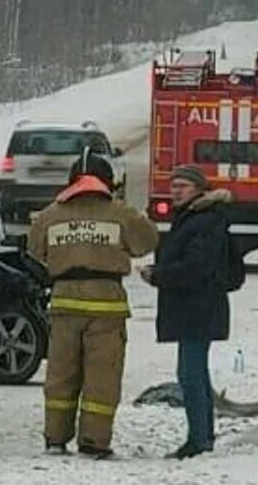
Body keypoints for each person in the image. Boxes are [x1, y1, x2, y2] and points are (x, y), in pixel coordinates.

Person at [27, 150, 159, 458]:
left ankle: (55, 438)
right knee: (102, 377)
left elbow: (35, 250)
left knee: (60, 374)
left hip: (63, 303)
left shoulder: (50, 214)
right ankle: (94, 442)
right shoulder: (120, 213)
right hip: (106, 306)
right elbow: (147, 241)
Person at [141, 166, 233, 459]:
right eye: (174, 185)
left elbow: (196, 267)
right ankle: (203, 435)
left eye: (183, 185)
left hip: (198, 307)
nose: (176, 190)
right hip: (194, 307)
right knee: (196, 373)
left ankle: (199, 439)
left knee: (190, 374)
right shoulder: (192, 218)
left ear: (198, 189)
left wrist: (159, 276)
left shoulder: (203, 221)